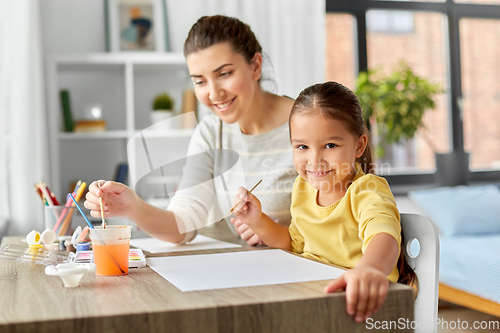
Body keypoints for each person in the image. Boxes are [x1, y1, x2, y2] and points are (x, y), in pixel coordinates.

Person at [84, 15, 296, 245]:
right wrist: (133, 208)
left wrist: (276, 232)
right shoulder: (212, 131)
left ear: (255, 66)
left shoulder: (310, 123)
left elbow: (338, 219)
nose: (214, 93)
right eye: (200, 81)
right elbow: (184, 222)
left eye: (224, 74)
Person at [232, 81, 416, 323]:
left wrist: (369, 269)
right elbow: (293, 243)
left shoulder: (367, 190)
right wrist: (257, 220)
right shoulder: (303, 189)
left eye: (330, 145)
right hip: (315, 300)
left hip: (362, 307)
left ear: (358, 145)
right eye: (302, 146)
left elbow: (384, 238)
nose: (315, 160)